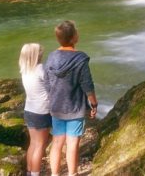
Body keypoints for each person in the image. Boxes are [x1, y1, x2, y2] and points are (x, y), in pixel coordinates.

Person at [45, 20, 98, 176]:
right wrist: (94, 104)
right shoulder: (80, 59)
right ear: (74, 37)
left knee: (57, 142)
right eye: (76, 31)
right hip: (75, 108)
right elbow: (87, 84)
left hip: (56, 107)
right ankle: (72, 173)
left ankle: (55, 174)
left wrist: (52, 100)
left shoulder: (51, 57)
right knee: (72, 144)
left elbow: (47, 83)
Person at [18, 43, 51, 176]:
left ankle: (29, 171)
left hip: (29, 110)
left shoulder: (25, 70)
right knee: (40, 145)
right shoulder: (40, 69)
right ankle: (35, 173)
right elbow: (52, 87)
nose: (42, 54)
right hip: (42, 111)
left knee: (33, 143)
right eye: (40, 52)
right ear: (35, 55)